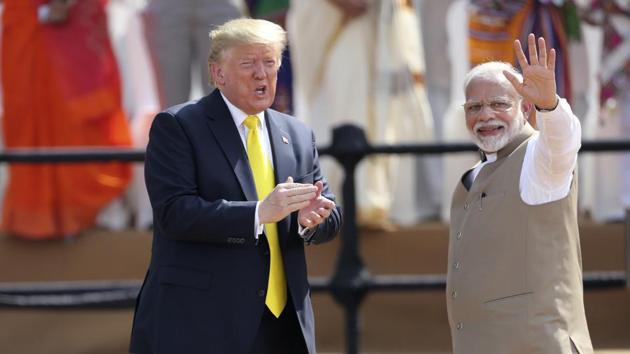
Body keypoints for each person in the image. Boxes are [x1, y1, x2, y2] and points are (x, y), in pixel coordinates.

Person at [129, 18, 342, 354]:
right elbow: (174, 213)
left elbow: (328, 212)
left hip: (283, 326)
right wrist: (258, 213)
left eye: (270, 62)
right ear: (218, 74)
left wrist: (311, 221)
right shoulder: (179, 126)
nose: (262, 73)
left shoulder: (297, 133)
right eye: (248, 64)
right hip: (203, 323)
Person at [446, 33, 593, 353]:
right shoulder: (472, 176)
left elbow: (562, 143)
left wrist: (550, 106)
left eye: (499, 104)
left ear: (526, 108)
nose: (485, 115)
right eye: (475, 107)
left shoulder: (537, 160)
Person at [1, 0, 132, 240]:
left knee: (81, 113)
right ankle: (39, 216)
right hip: (23, 23)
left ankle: (88, 213)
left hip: (72, 22)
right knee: (26, 113)